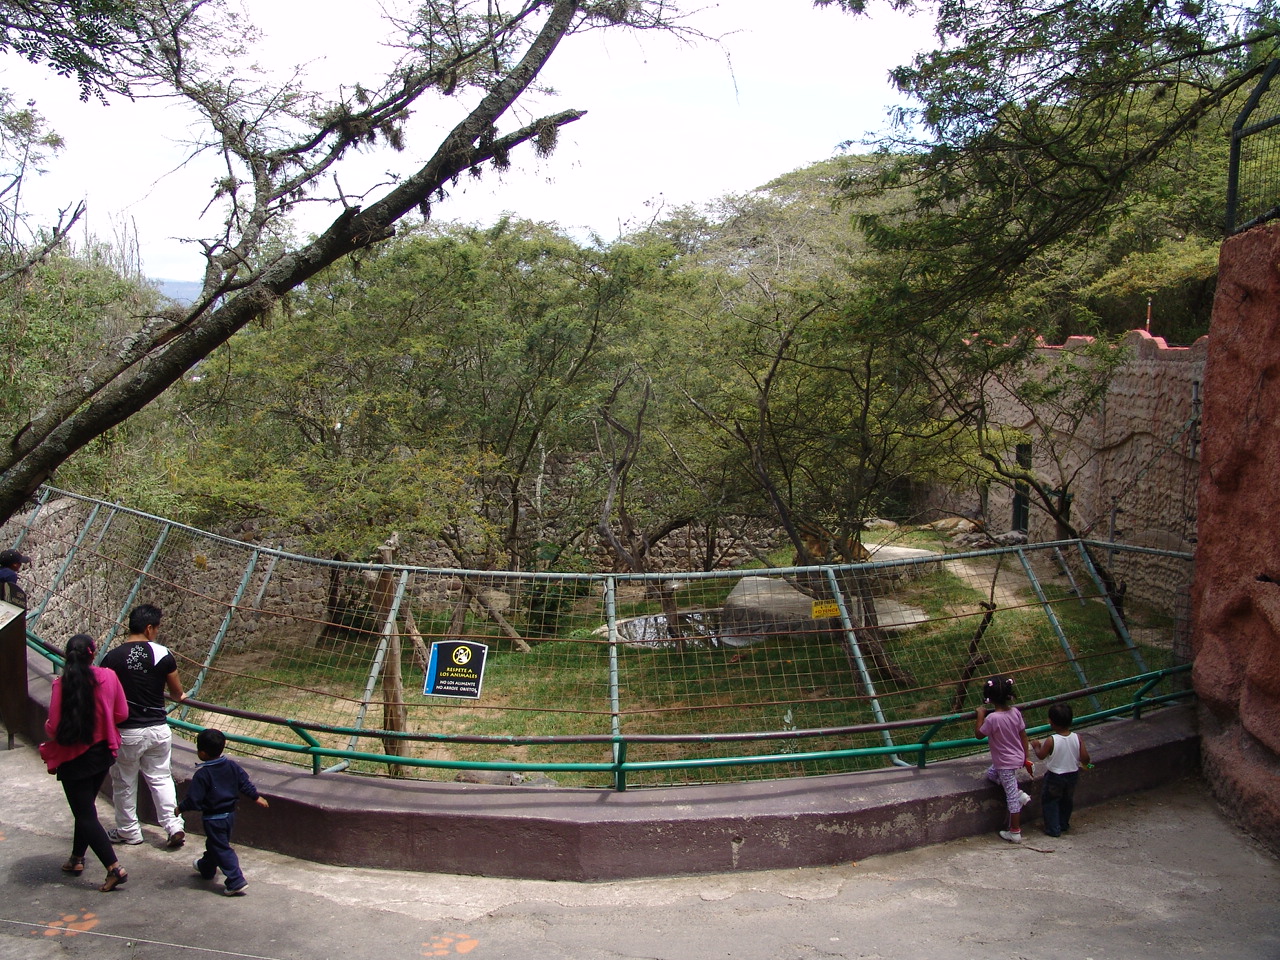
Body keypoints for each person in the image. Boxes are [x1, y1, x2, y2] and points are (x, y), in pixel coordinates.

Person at [39, 633, 132, 892]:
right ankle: (77, 858)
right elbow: (122, 713)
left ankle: (114, 868)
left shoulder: (61, 684)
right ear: (93, 654)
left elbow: (54, 728)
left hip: (73, 758)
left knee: (85, 814)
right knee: (85, 808)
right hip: (102, 753)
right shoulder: (109, 676)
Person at [101, 603, 189, 848]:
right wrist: (181, 696)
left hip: (127, 731)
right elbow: (177, 692)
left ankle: (129, 831)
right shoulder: (162, 654)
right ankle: (173, 825)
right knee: (161, 777)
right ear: (149, 628)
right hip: (158, 729)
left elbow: (105, 693)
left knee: (124, 782)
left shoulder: (112, 657)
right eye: (157, 628)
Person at [176, 728, 269, 896]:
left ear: (202, 753)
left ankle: (236, 880)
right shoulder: (231, 766)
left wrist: (180, 808)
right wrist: (256, 797)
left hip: (213, 818)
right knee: (215, 843)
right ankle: (206, 867)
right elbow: (244, 783)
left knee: (221, 847)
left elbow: (194, 800)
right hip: (229, 815)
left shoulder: (203, 774)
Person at [975, 674, 1032, 844]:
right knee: (991, 774)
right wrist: (1026, 756)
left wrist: (980, 715)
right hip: (1016, 757)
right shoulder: (1015, 712)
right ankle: (1020, 794)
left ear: (989, 697)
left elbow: (979, 734)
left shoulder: (992, 718)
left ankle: (1015, 832)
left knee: (1011, 797)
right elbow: (1023, 735)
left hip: (1005, 763)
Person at [1032, 702, 1092, 837]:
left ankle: (1053, 828)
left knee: (1050, 801)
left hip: (1055, 776)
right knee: (1067, 800)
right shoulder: (1077, 737)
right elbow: (1085, 758)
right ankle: (1063, 824)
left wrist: (1036, 746)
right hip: (1072, 775)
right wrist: (1086, 764)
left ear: (1051, 722)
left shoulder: (1051, 740)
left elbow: (1041, 755)